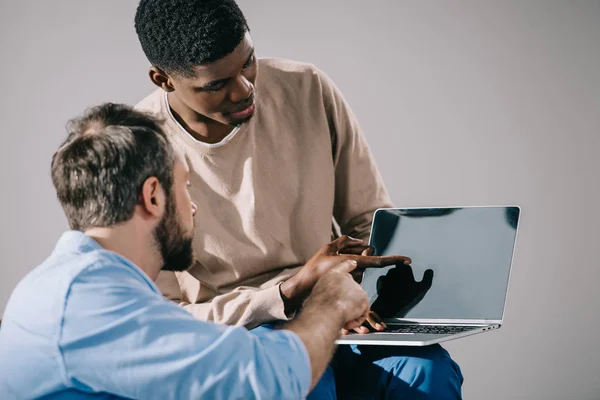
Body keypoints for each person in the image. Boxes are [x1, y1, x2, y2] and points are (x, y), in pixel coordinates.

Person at [133, 0, 464, 398]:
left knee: (426, 373)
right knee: (304, 384)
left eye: (248, 62)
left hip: (337, 309)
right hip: (240, 334)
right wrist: (285, 295)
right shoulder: (142, 151)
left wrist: (368, 294)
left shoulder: (306, 87)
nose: (244, 89)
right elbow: (167, 320)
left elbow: (368, 221)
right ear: (163, 79)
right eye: (217, 84)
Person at [0, 103, 409, 399]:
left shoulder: (82, 288)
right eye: (186, 186)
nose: (192, 206)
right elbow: (270, 380)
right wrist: (330, 303)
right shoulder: (90, 303)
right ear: (154, 196)